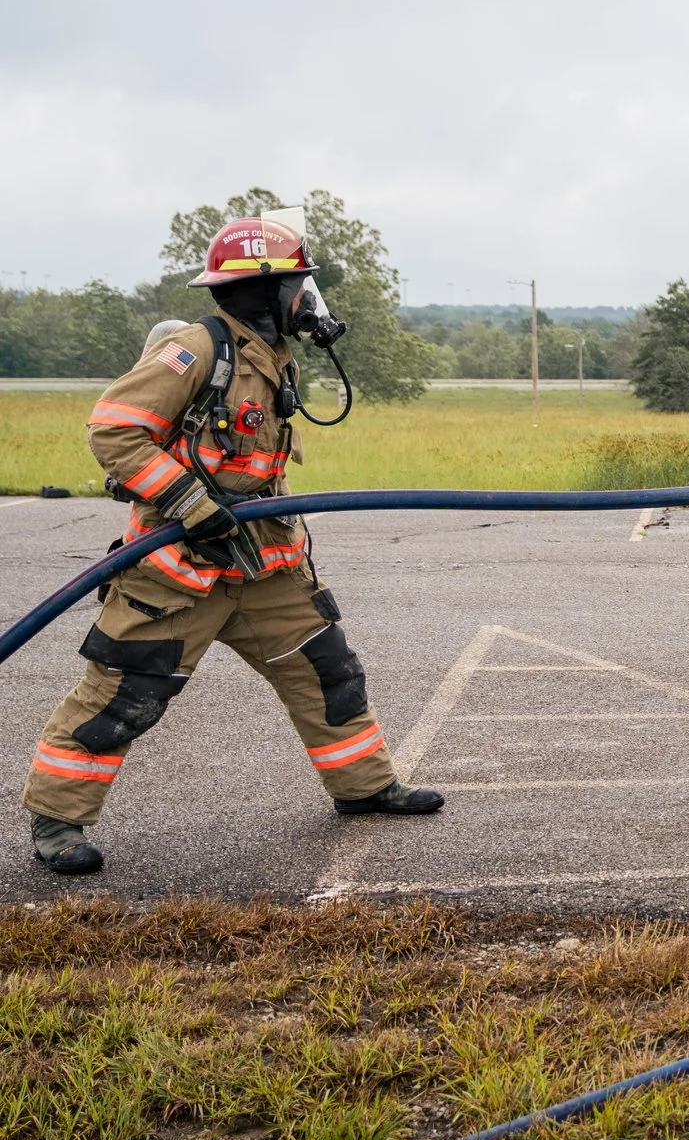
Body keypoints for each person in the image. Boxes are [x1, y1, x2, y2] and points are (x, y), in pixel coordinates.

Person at [23, 212, 442, 876]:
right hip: (179, 573)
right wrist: (189, 502)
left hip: (266, 567)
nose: (307, 299)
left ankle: (364, 786)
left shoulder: (272, 356)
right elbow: (114, 429)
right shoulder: (195, 350)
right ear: (263, 288)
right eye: (298, 285)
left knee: (327, 673)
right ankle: (56, 819)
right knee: (122, 697)